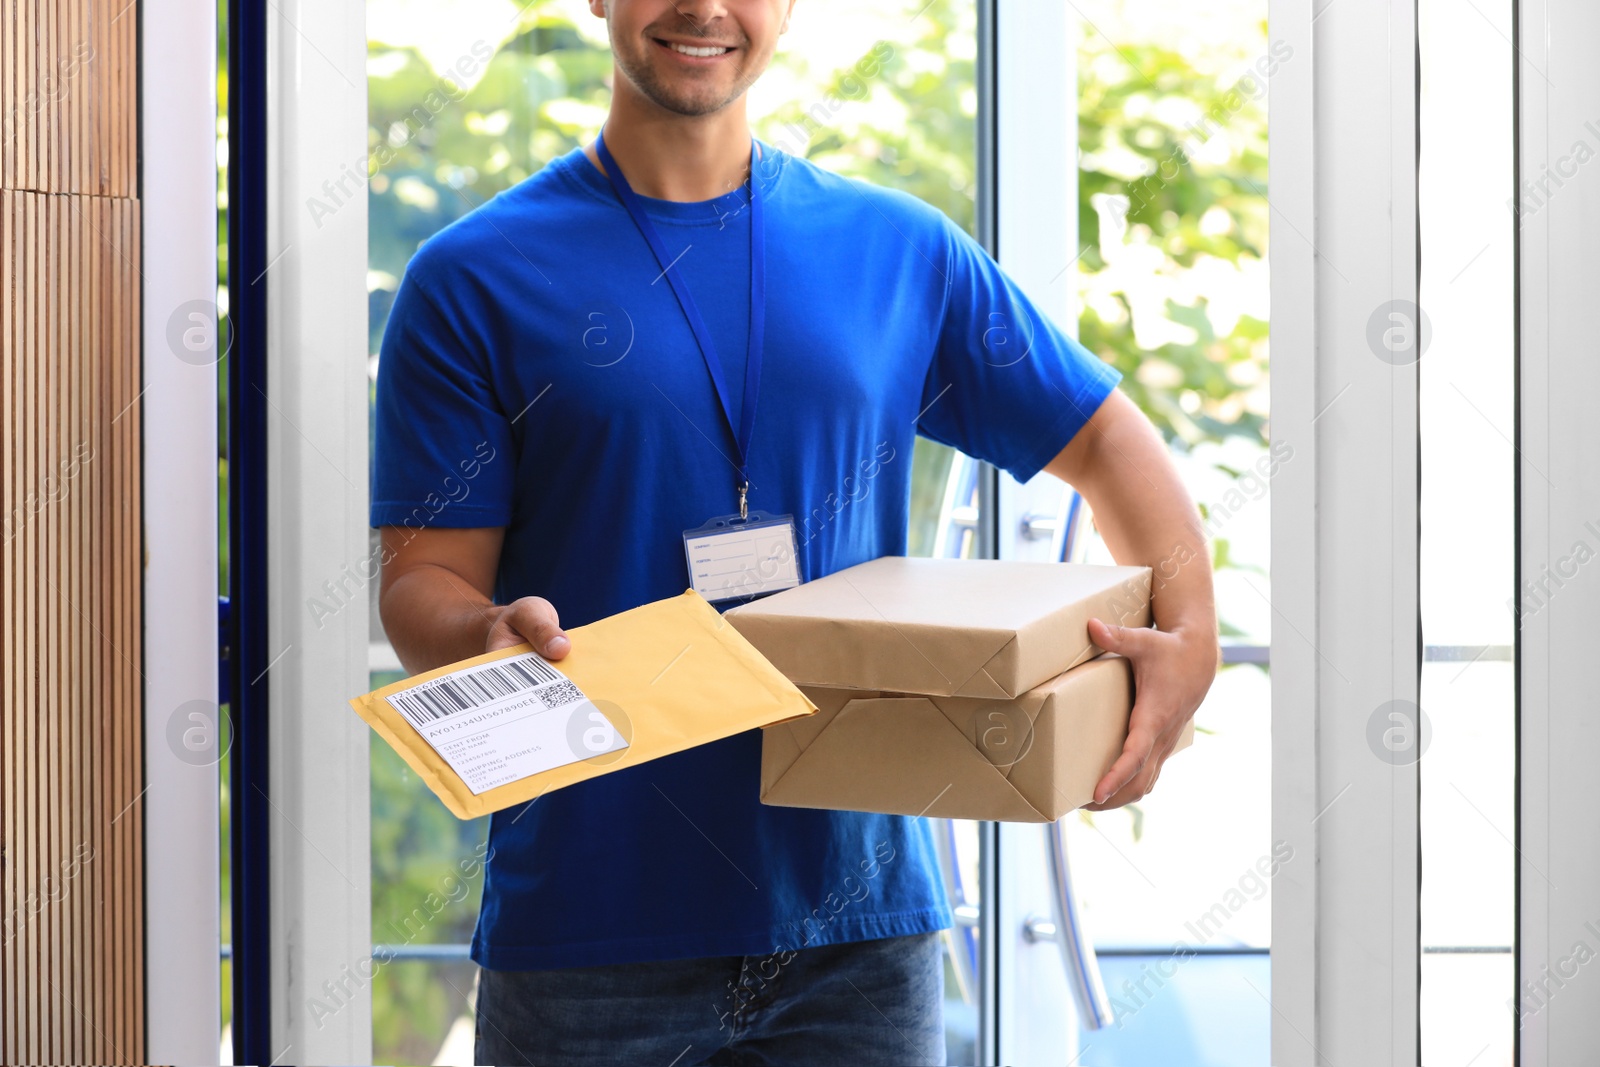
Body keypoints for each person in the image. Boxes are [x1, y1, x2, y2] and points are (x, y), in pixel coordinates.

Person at [372, 0, 1219, 1063]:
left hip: (859, 929)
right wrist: (483, 631)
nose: (703, 7)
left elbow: (1105, 443)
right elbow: (423, 581)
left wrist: (1191, 632)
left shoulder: (896, 249)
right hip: (587, 931)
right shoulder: (475, 277)